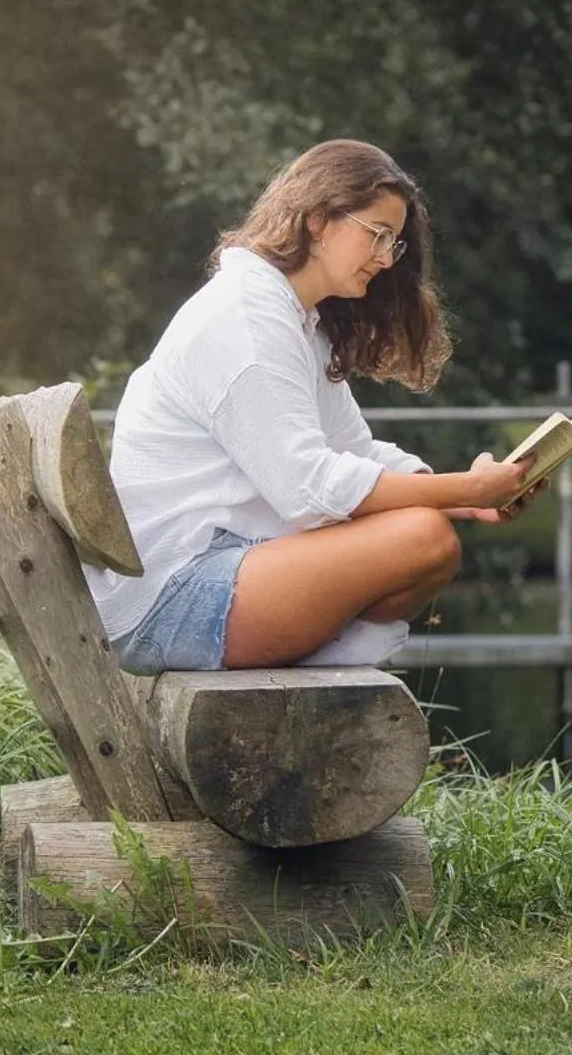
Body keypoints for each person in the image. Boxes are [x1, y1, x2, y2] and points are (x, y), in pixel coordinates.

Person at [84, 139, 539, 674]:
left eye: (393, 243)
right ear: (319, 220)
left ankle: (323, 662)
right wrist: (458, 491)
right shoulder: (246, 318)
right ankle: (328, 663)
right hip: (167, 602)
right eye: (377, 235)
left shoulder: (296, 319)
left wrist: (467, 495)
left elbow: (356, 450)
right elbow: (307, 490)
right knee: (423, 538)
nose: (386, 260)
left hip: (216, 575)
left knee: (428, 534)